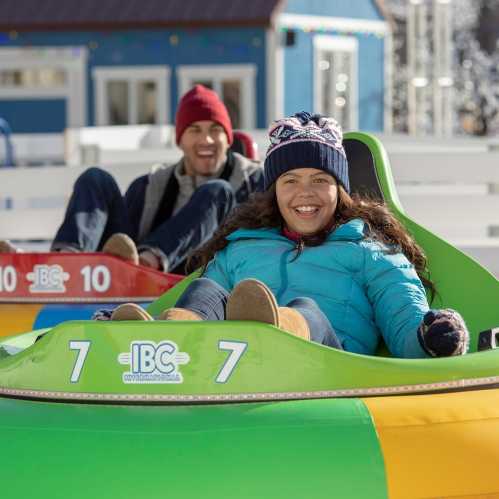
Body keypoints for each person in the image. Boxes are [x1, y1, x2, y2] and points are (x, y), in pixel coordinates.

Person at [110, 112, 469, 358]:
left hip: (328, 368)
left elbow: (403, 322)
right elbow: (205, 301)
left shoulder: (370, 250)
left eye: (320, 181)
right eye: (291, 181)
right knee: (205, 290)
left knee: (307, 310)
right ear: (274, 191)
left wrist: (430, 335)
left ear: (340, 189)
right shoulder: (243, 247)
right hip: (235, 370)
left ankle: (277, 328)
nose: (305, 193)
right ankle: (160, 341)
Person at [0, 85, 263, 273]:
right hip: (138, 279)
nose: (206, 140)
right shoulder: (150, 187)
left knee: (216, 191)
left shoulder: (254, 181)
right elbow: (120, 238)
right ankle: (65, 265)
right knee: (95, 178)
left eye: (215, 130)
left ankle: (148, 261)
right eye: (195, 130)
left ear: (228, 139)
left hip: (200, 279)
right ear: (180, 139)